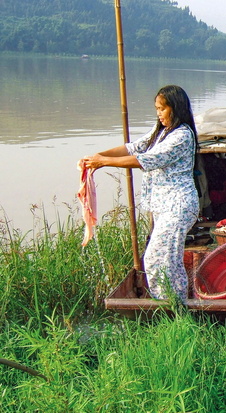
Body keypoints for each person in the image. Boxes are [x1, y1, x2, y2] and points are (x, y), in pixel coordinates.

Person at [81, 85, 199, 302]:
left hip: (178, 206)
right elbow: (132, 149)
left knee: (157, 257)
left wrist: (104, 162)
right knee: (167, 259)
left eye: (162, 109)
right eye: (156, 109)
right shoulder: (161, 133)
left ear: (176, 108)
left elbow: (145, 160)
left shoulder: (182, 136)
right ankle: (173, 304)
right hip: (164, 207)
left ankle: (173, 305)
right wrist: (96, 157)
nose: (158, 114)